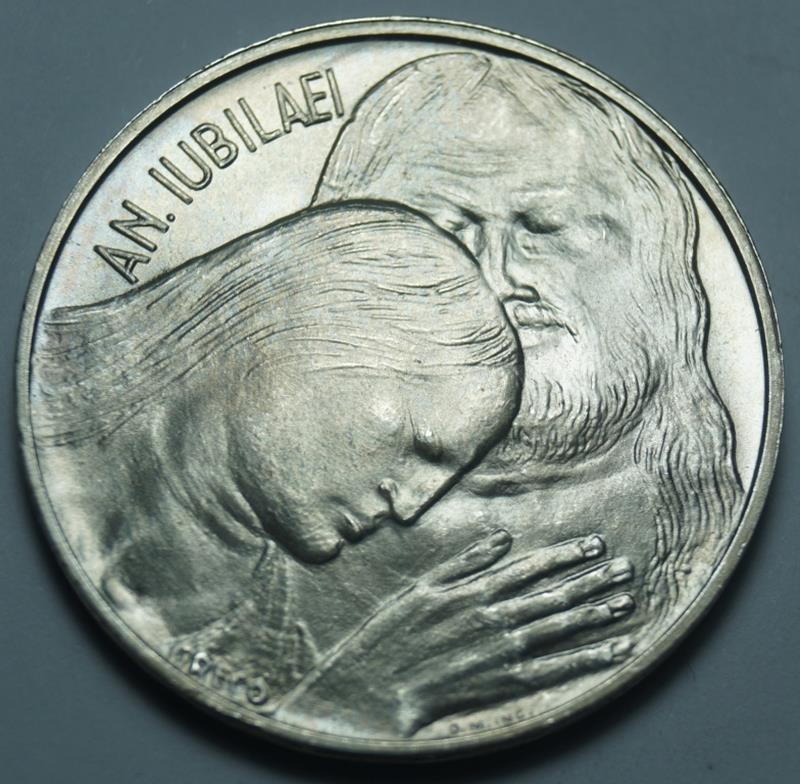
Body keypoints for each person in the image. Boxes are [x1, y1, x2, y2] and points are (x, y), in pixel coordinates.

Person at [33, 202, 636, 737]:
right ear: (302, 338)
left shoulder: (273, 635)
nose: (413, 507)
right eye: (423, 448)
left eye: (448, 478)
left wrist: (355, 703)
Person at [309, 52, 742, 656]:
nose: (497, 275)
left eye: (543, 228)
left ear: (651, 263)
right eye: (448, 229)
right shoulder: (256, 531)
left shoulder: (692, 514)